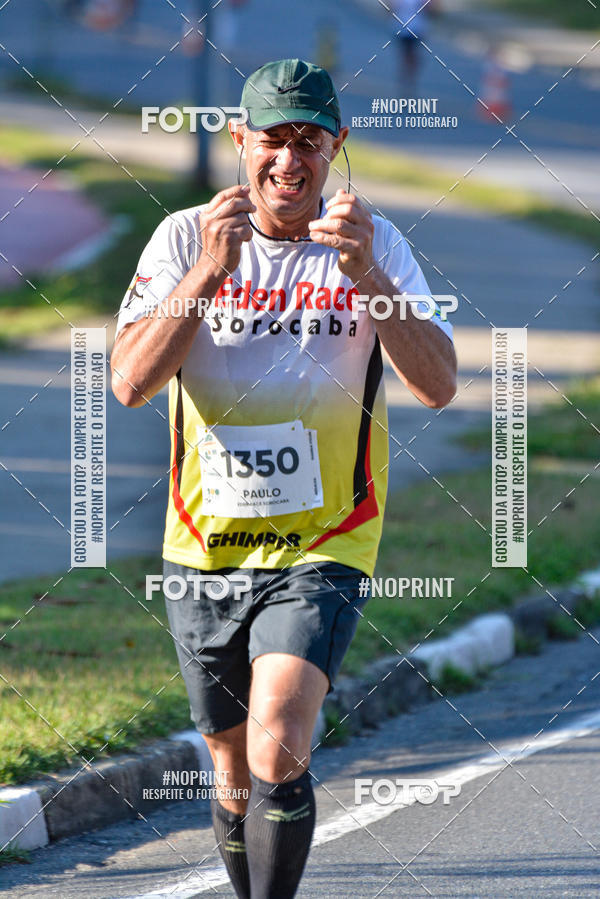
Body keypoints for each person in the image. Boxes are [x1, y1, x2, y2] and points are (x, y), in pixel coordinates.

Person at [111, 58, 456, 899]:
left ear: (338, 145)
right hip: (204, 545)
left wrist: (368, 276)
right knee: (231, 767)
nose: (290, 162)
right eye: (272, 140)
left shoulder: (376, 243)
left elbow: (439, 385)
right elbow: (127, 381)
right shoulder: (185, 238)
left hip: (326, 538)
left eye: (310, 141)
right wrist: (206, 277)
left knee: (277, 744)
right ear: (241, 141)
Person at [390, 0, 435, 92]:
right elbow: (391, 7)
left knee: (412, 53)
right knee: (405, 53)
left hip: (417, 28)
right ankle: (406, 75)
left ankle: (409, 74)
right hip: (403, 28)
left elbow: (432, 9)